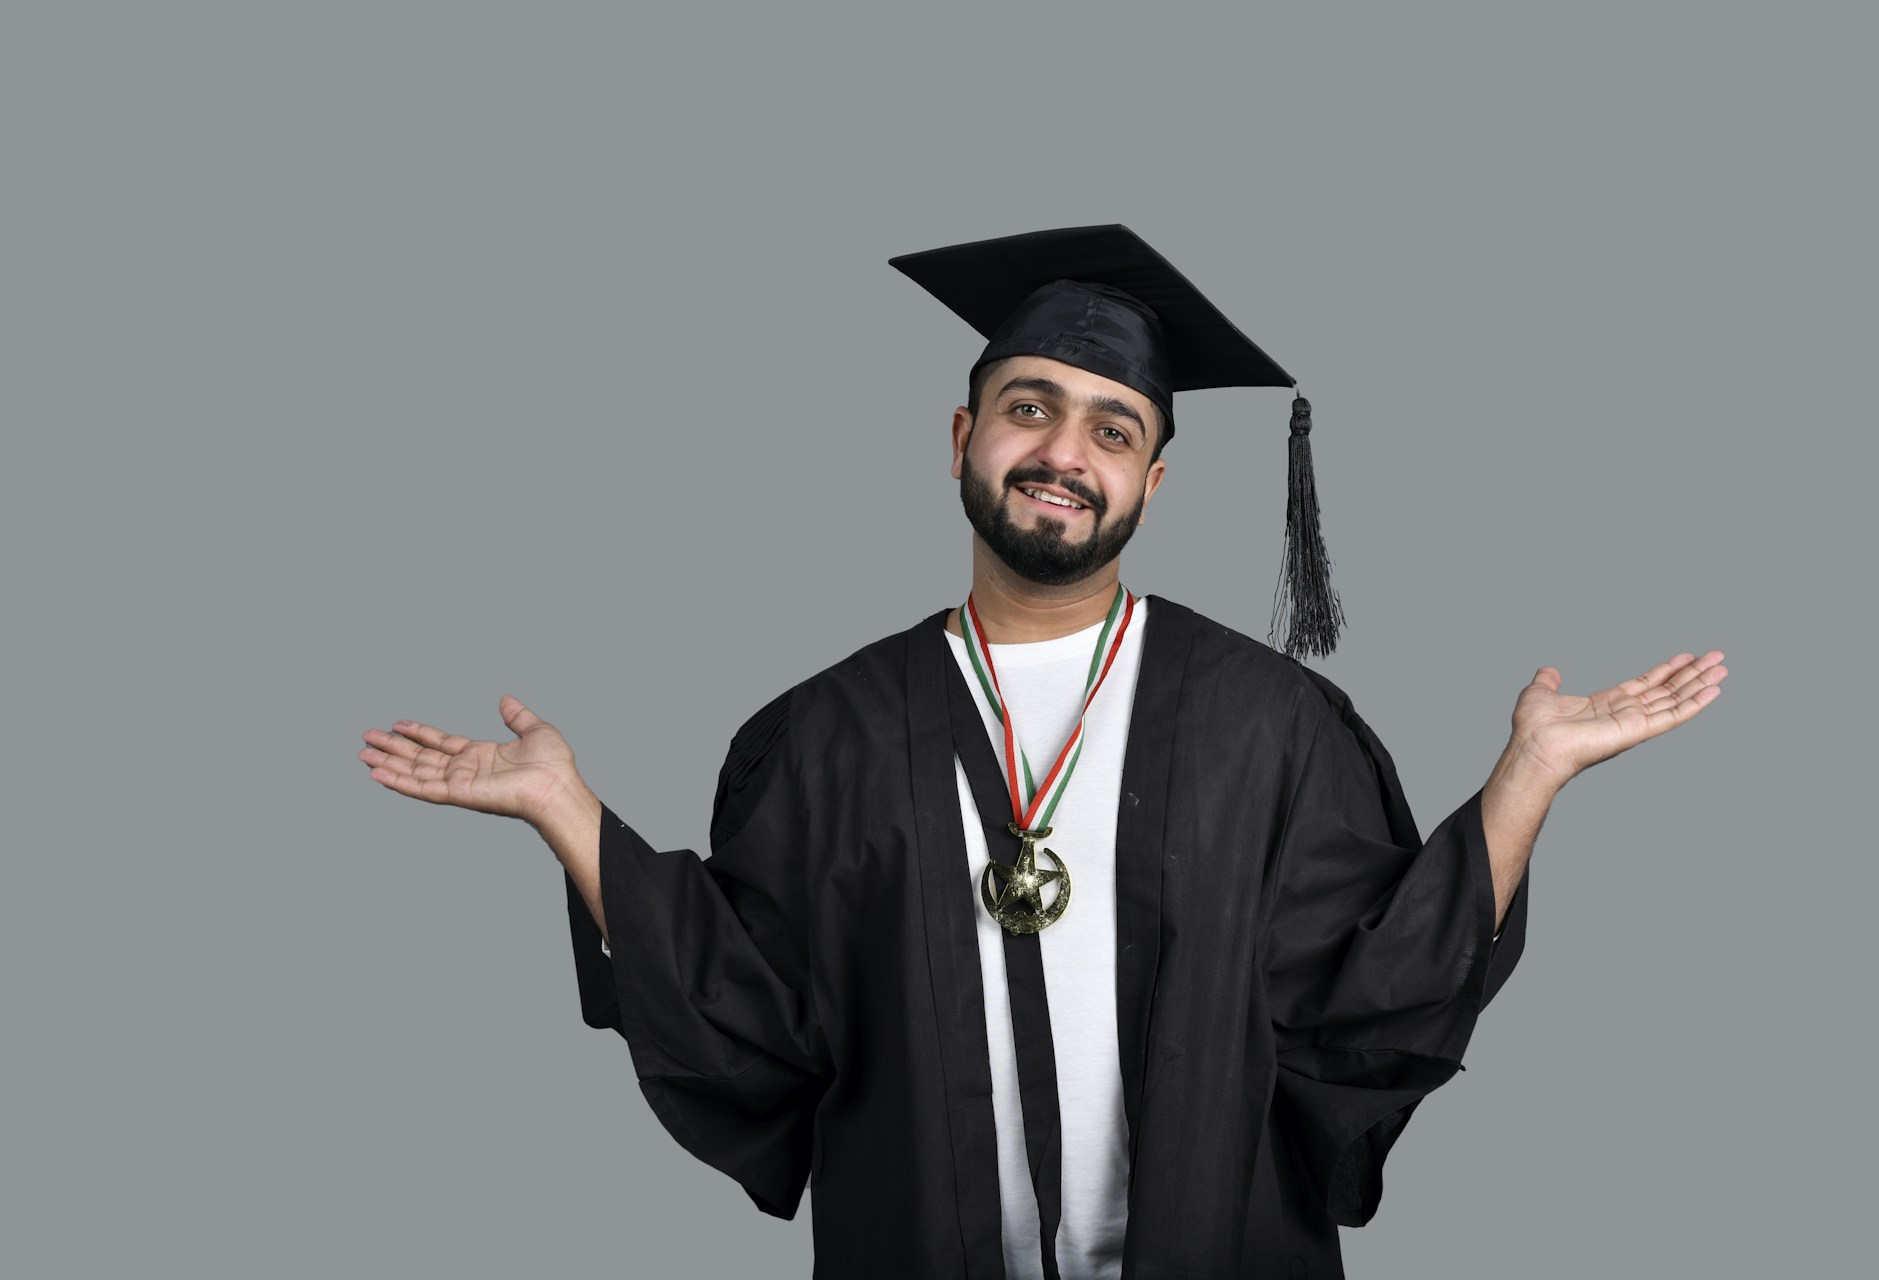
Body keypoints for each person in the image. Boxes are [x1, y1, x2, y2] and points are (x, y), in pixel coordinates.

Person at [358, 225, 1727, 1279]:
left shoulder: (1272, 726)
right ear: (963, 436)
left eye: (1112, 429)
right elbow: (753, 1024)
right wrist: (572, 816)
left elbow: (1369, 1003)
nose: (1063, 451)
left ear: (1152, 482)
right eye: (1027, 408)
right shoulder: (824, 736)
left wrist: (1526, 780)